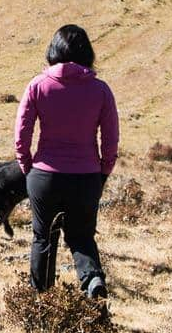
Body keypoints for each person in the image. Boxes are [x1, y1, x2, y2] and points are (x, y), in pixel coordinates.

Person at [13, 24, 119, 297]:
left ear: (53, 51)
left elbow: (22, 135)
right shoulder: (101, 90)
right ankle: (92, 280)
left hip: (45, 175)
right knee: (82, 237)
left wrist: (28, 168)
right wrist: (102, 173)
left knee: (43, 239)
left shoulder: (38, 85)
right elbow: (111, 139)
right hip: (86, 176)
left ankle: (41, 302)